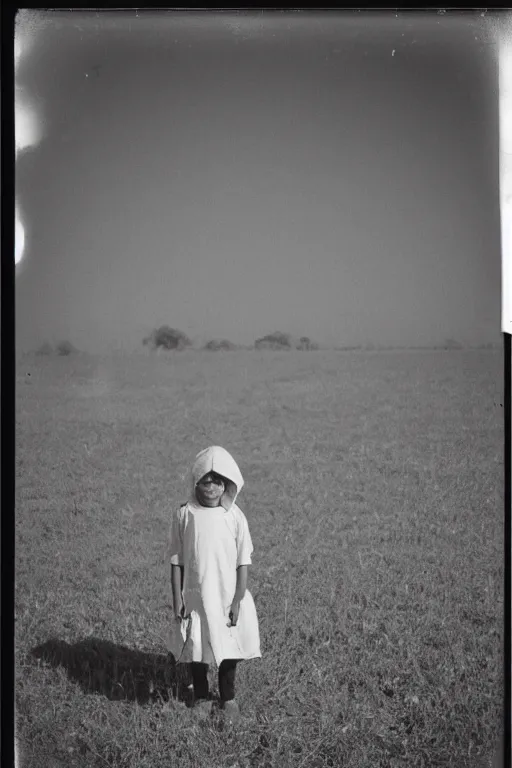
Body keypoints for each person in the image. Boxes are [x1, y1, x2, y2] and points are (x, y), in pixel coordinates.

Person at [168, 446, 261, 720]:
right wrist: (178, 599)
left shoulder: (235, 516)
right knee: (198, 647)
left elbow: (243, 561)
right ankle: (201, 697)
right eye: (205, 481)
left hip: (226, 598)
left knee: (228, 649)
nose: (211, 487)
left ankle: (229, 700)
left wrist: (238, 599)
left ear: (228, 484)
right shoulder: (184, 515)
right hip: (195, 598)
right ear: (195, 482)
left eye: (217, 481)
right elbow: (177, 560)